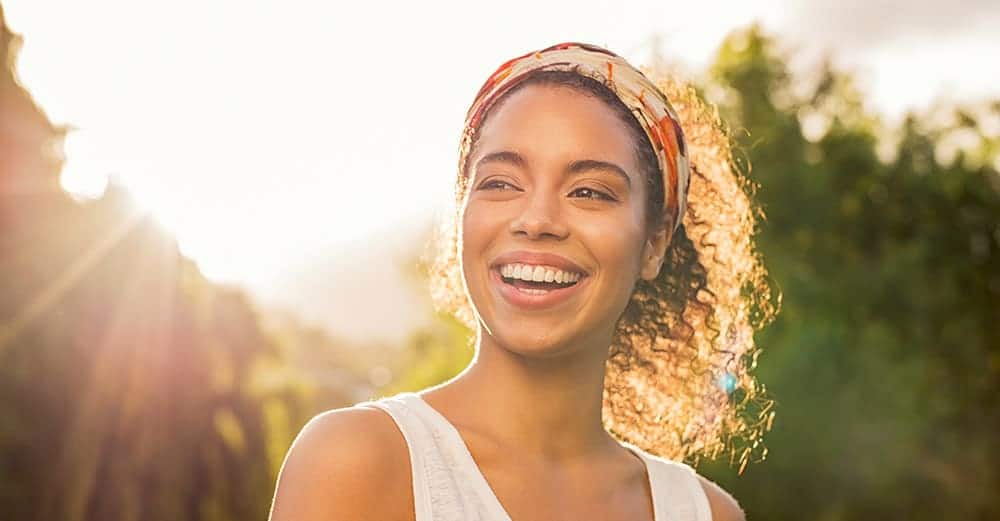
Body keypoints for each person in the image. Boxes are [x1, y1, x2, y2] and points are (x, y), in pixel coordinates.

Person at [269, 41, 777, 521]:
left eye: (590, 192)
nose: (536, 219)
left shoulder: (702, 512)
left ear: (655, 243)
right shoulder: (355, 462)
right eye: (501, 183)